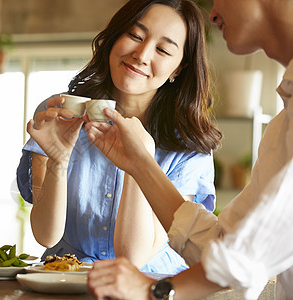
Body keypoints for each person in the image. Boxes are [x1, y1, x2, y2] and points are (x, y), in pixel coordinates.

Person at [85, 0, 293, 299]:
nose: (213, 13)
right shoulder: (283, 121)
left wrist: (154, 289)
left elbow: (248, 256)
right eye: (135, 35)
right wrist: (141, 164)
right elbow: (224, 245)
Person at [17, 0, 222, 275]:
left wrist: (139, 156)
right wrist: (58, 160)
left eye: (162, 49)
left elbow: (133, 257)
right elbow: (45, 235)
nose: (141, 54)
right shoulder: (59, 114)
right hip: (64, 284)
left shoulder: (190, 149)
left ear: (178, 69)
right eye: (135, 36)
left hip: (148, 287)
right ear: (114, 38)